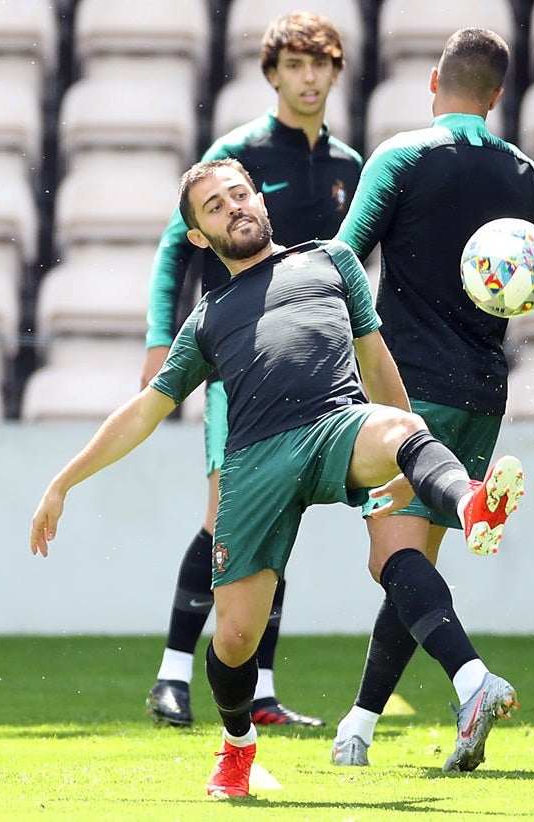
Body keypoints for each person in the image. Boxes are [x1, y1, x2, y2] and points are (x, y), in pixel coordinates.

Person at [31, 158, 527, 798]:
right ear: (199, 236)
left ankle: (472, 506)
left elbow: (379, 367)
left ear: (261, 199)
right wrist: (62, 482)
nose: (233, 207)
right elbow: (145, 410)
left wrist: (411, 463)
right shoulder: (207, 318)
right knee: (236, 639)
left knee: (404, 428)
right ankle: (238, 746)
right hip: (255, 465)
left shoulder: (333, 261)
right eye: (214, 206)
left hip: (335, 425)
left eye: (239, 194)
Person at [329, 27, 534, 770]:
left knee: (389, 558)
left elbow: (344, 261)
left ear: (433, 82)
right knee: (414, 565)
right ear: (498, 96)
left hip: (404, 393)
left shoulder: (401, 158)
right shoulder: (525, 177)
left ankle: (472, 681)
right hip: (480, 394)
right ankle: (359, 727)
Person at [141, 12, 362, 729]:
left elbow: (354, 269)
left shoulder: (350, 167)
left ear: (335, 72)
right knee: (223, 519)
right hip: (237, 366)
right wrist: (160, 337)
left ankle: (260, 690)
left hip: (315, 372)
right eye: (293, 64)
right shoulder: (235, 157)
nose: (307, 77)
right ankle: (172, 676)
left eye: (319, 64)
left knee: (278, 515)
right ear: (272, 74)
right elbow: (174, 249)